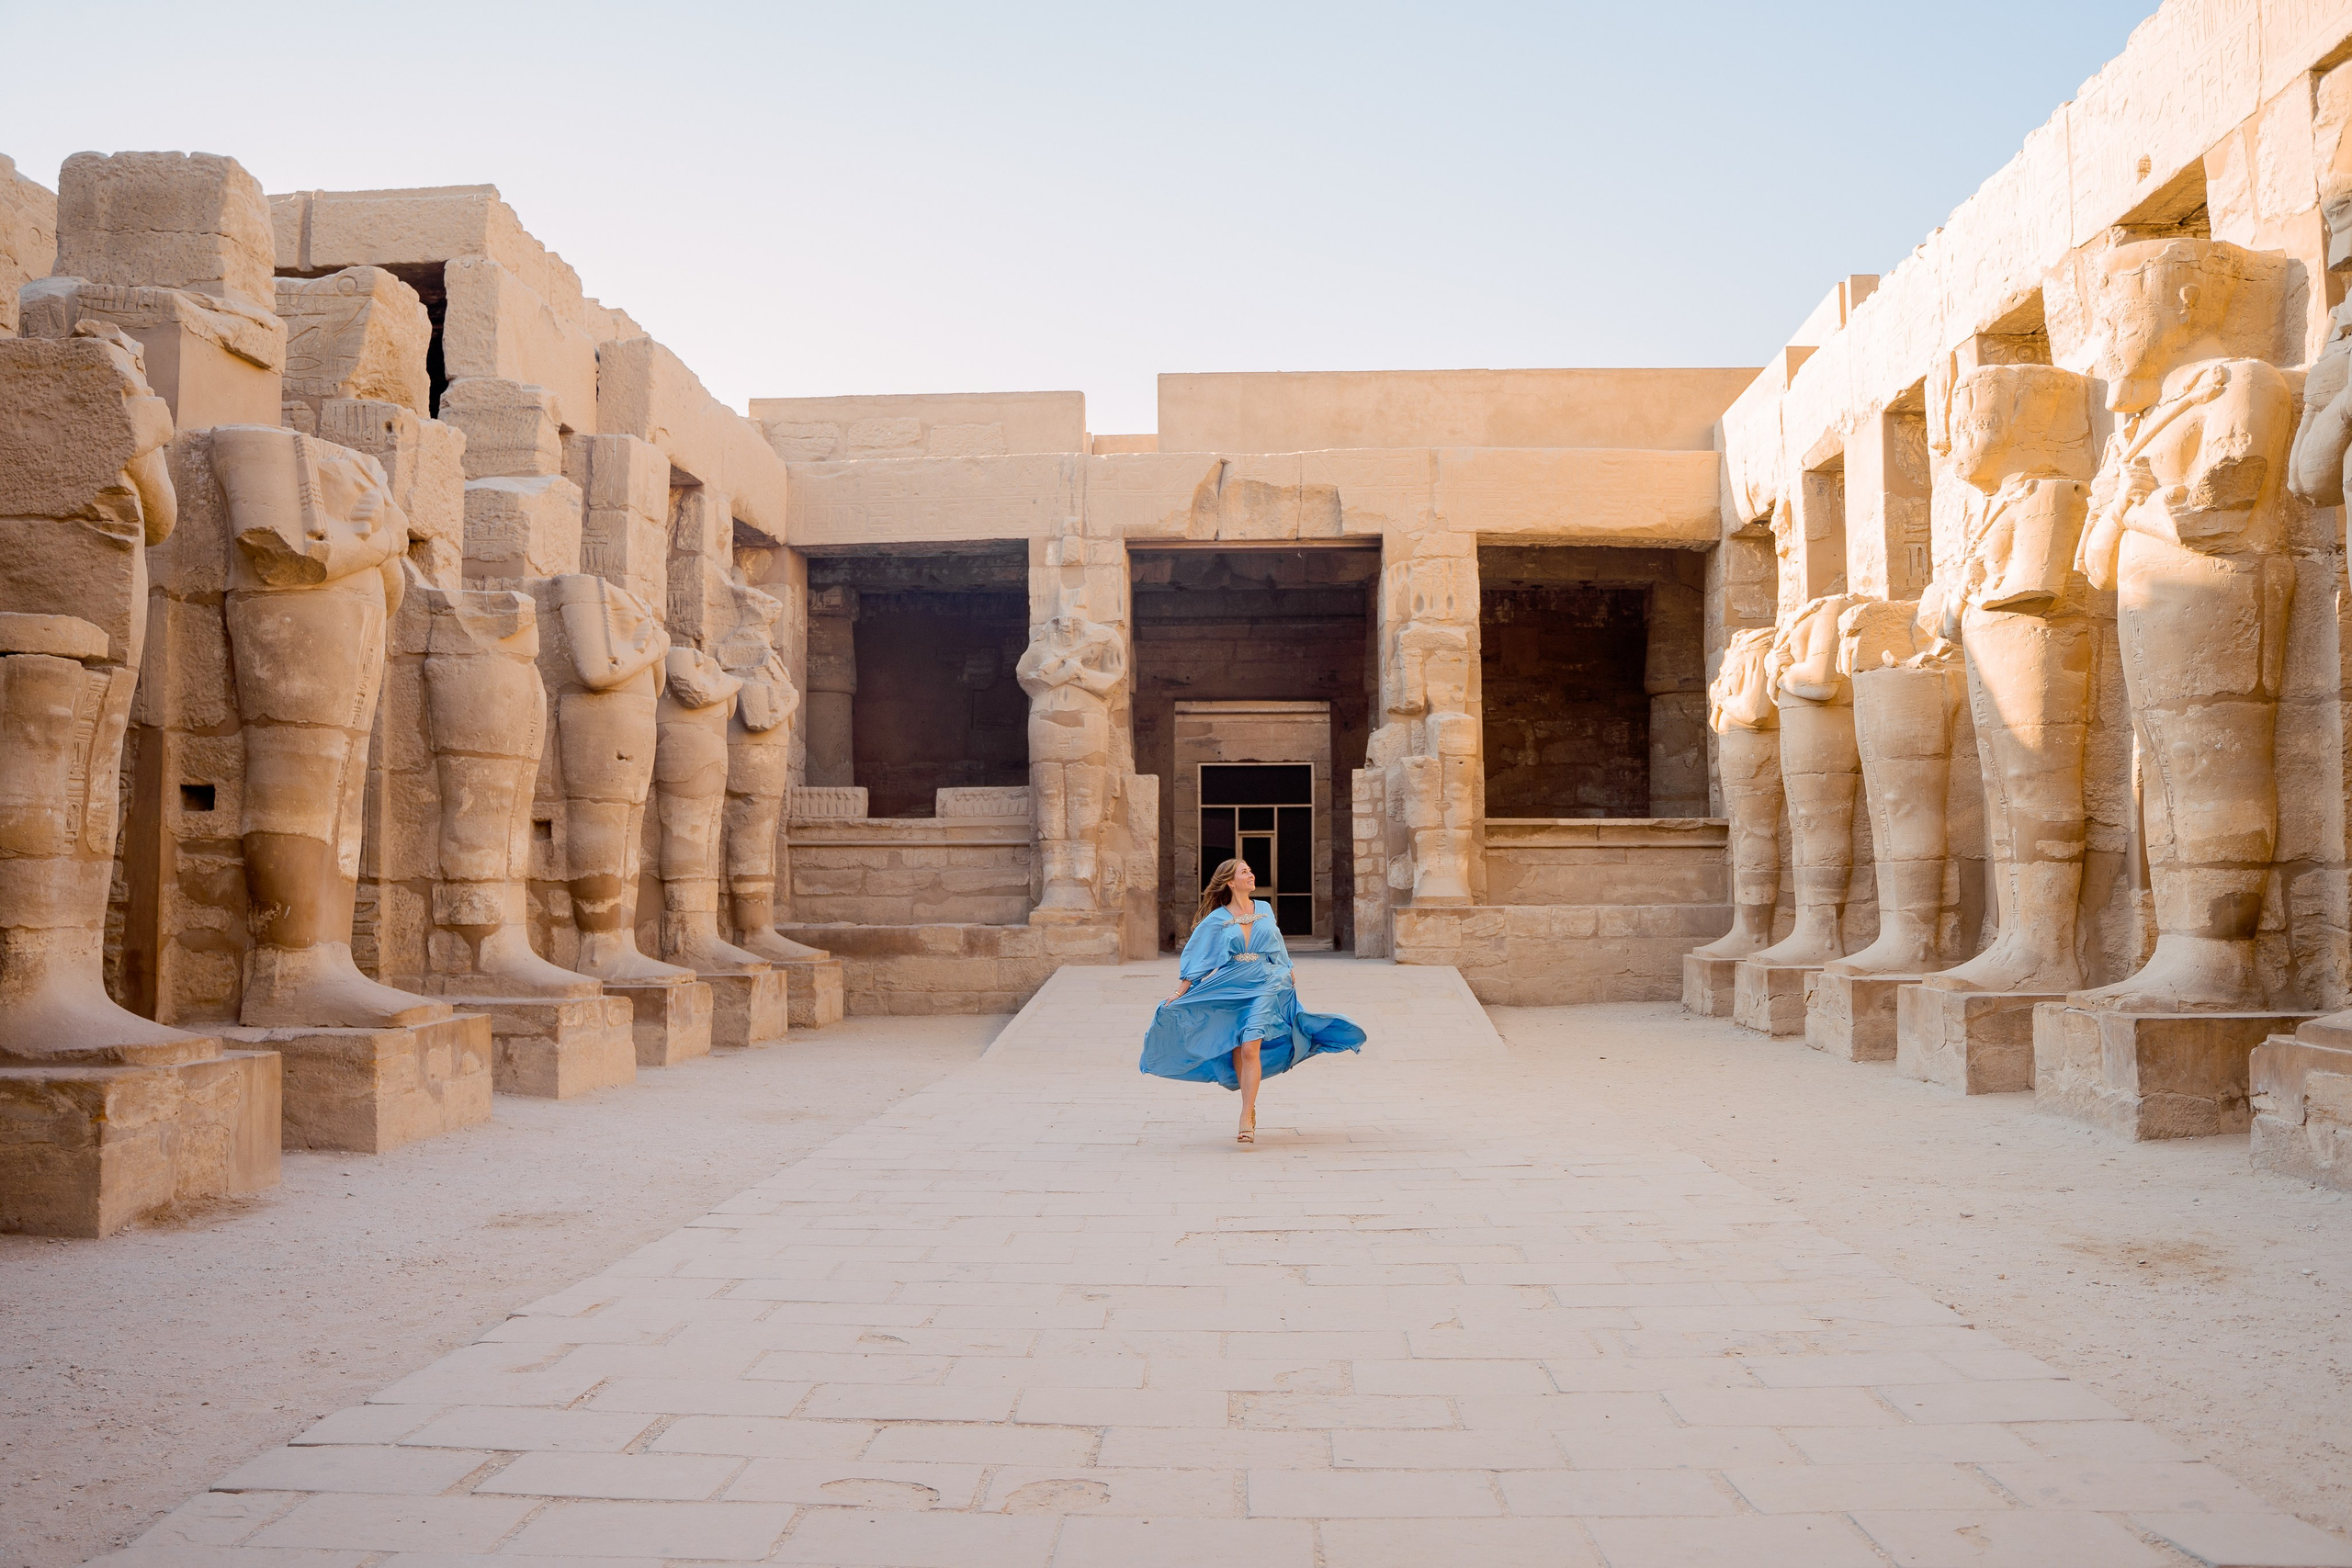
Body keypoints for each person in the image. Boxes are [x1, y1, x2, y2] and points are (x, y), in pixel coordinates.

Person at [1140, 857, 1365, 1144]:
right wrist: (1181, 992)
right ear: (1230, 882)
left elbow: (1276, 944)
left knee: (1250, 1047)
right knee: (1237, 1048)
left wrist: (1288, 969)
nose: (1251, 874)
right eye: (1244, 872)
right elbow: (1200, 956)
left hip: (1265, 982)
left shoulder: (1265, 909)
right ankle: (1249, 1104)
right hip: (1232, 985)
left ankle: (1246, 1115)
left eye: (1249, 870)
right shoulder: (1217, 919)